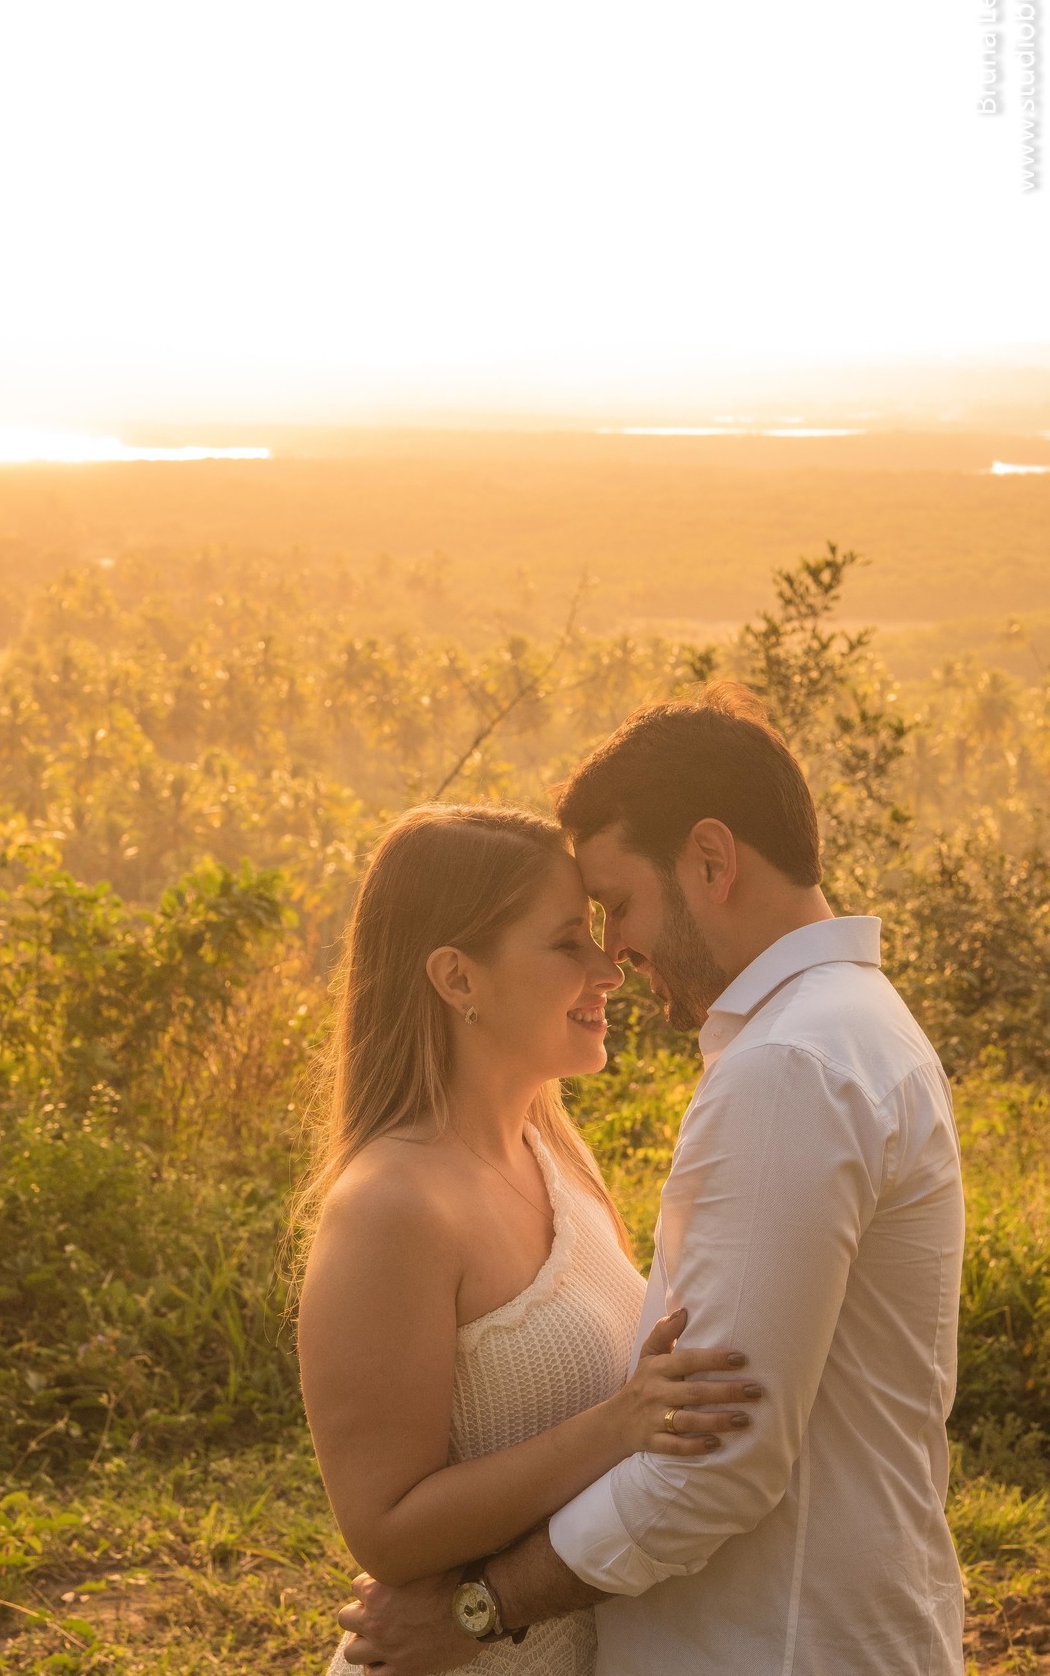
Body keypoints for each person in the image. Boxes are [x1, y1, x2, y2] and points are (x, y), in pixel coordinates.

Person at [338, 684, 966, 1676]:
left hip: (776, 1646)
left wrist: (481, 1606)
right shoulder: (848, 1029)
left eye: (617, 905)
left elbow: (712, 1467)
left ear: (712, 861)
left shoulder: (789, 1068)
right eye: (578, 931)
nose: (614, 954)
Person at [297, 803, 763, 1675]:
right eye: (565, 944)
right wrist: (618, 1424)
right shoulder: (390, 1211)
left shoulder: (555, 1153)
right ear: (457, 979)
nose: (608, 969)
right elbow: (387, 1531)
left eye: (596, 934)